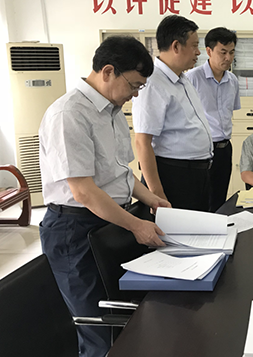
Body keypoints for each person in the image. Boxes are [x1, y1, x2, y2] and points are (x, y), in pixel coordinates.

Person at [38, 36, 170, 357]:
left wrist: (152, 198)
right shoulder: (69, 114)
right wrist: (136, 226)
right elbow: (83, 191)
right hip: (75, 230)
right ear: (108, 71)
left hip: (109, 221)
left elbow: (119, 173)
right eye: (134, 85)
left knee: (122, 316)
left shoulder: (111, 111)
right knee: (97, 325)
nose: (135, 95)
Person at [133, 15, 213, 211]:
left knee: (197, 226)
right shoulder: (153, 83)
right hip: (173, 176)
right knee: (175, 229)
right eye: (194, 46)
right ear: (176, 46)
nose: (198, 52)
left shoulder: (182, 79)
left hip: (196, 175)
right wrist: (156, 194)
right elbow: (142, 142)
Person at [187, 27, 240, 212]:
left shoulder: (233, 81)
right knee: (201, 201)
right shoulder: (192, 79)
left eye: (231, 52)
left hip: (224, 149)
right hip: (201, 150)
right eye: (223, 52)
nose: (228, 57)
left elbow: (230, 112)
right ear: (209, 51)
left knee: (219, 200)